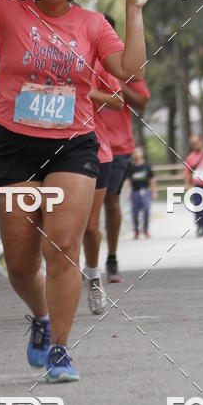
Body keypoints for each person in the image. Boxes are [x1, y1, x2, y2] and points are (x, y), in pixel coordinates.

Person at [0, 0, 161, 382]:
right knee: (22, 265)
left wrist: (133, 9)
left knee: (63, 247)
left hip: (73, 146)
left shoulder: (91, 23)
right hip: (14, 147)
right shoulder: (6, 9)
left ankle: (62, 351)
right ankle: (41, 318)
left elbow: (130, 69)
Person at [102, 54, 151, 283]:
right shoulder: (79, 60)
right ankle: (82, 261)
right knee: (84, 207)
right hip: (84, 143)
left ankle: (111, 259)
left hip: (119, 147)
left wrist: (120, 85)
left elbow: (142, 102)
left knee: (112, 201)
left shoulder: (124, 68)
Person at [83, 57, 124, 314]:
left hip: (96, 151)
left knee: (89, 225)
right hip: (54, 149)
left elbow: (119, 100)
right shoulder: (41, 55)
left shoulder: (97, 64)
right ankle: (55, 281)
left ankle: (94, 275)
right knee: (57, 224)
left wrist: (90, 92)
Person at [127, 145, 157, 238]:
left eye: (138, 152)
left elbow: (152, 179)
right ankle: (136, 230)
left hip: (145, 191)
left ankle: (145, 229)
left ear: (142, 153)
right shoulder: (131, 167)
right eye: (134, 153)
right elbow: (127, 180)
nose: (136, 154)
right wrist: (127, 192)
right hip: (135, 191)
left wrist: (154, 192)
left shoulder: (147, 165)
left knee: (146, 209)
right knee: (135, 212)